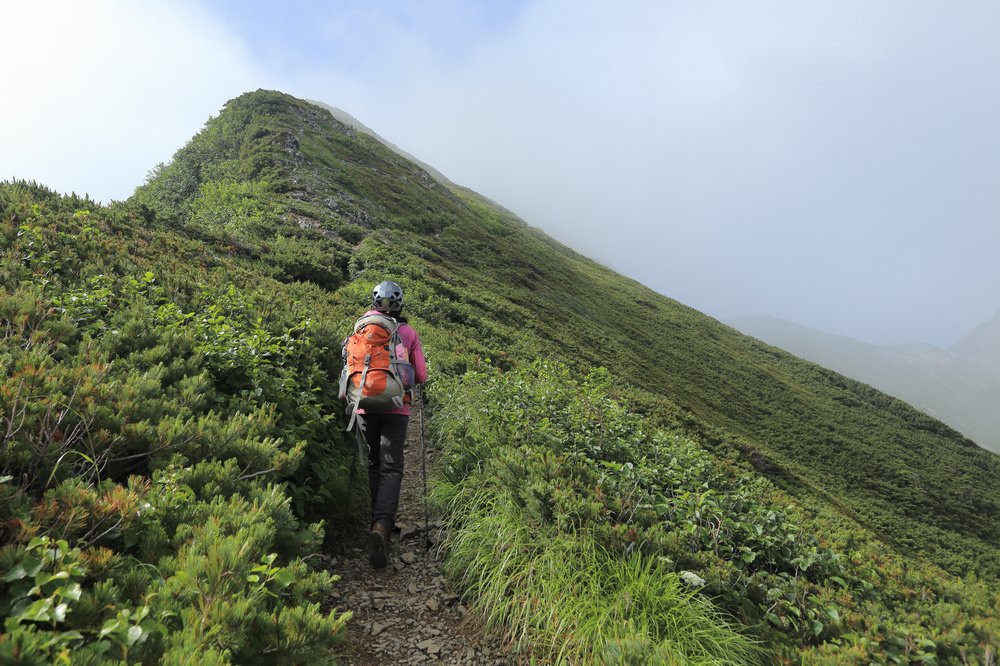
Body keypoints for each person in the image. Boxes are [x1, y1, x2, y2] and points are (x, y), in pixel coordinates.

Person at [356, 280, 427, 568]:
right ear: (400, 304)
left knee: (374, 464)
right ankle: (382, 526)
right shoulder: (408, 332)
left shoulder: (360, 326)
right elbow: (420, 375)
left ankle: (377, 520)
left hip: (363, 403)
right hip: (397, 408)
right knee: (392, 467)